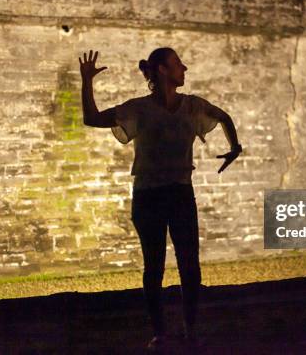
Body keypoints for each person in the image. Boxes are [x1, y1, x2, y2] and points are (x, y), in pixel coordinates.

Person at [79, 47, 242, 351]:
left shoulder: (193, 106)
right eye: (179, 64)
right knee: (154, 267)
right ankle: (161, 333)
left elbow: (224, 117)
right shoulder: (138, 108)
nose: (185, 68)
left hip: (180, 193)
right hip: (149, 196)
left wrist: (236, 147)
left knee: (189, 266)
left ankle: (190, 330)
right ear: (163, 70)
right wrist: (86, 80)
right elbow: (91, 118)